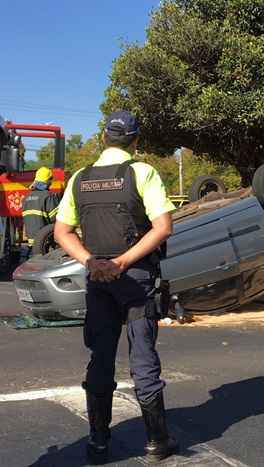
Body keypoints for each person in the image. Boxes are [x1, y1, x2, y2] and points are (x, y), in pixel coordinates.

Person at [54, 111, 178, 464]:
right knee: (143, 355)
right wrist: (123, 263)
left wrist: (92, 263)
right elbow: (163, 227)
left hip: (98, 281)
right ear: (135, 141)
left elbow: (63, 231)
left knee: (100, 357)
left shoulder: (80, 178)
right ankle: (157, 442)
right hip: (135, 279)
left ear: (104, 138)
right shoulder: (142, 172)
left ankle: (98, 442)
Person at [22, 167, 61, 248]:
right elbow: (57, 219)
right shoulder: (48, 196)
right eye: (51, 179)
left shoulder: (26, 198)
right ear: (48, 180)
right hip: (46, 243)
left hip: (32, 244)